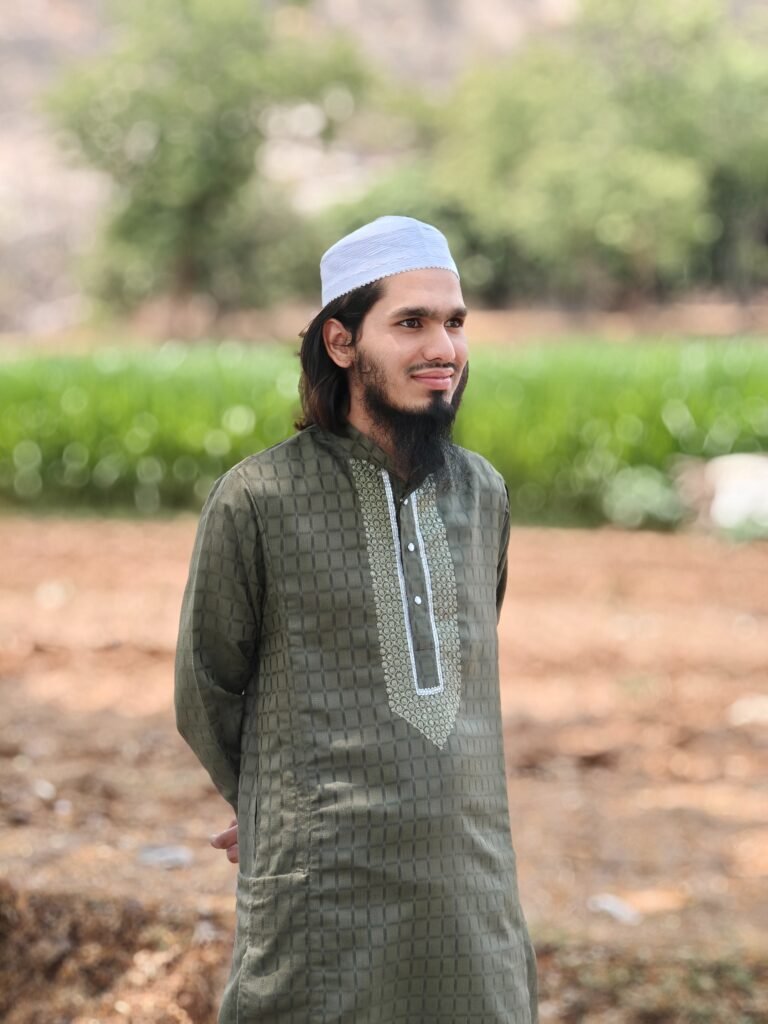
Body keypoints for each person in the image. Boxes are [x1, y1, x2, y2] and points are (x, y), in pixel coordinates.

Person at [175, 215, 539, 1023]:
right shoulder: (258, 498)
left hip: (470, 888)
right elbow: (206, 684)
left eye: (454, 323)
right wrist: (270, 804)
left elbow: (469, 658)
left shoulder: (483, 493)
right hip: (322, 889)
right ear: (341, 342)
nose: (442, 348)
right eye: (410, 323)